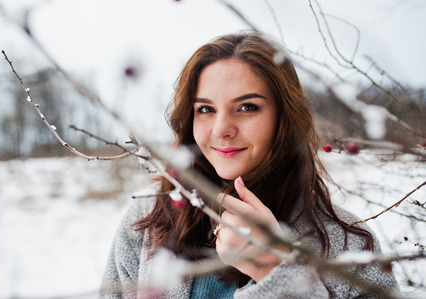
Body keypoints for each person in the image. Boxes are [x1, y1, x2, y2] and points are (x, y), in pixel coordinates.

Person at [99, 31, 399, 298]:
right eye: (205, 109)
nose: (220, 129)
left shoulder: (349, 245)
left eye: (247, 107)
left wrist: (275, 270)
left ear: (284, 118)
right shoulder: (150, 218)